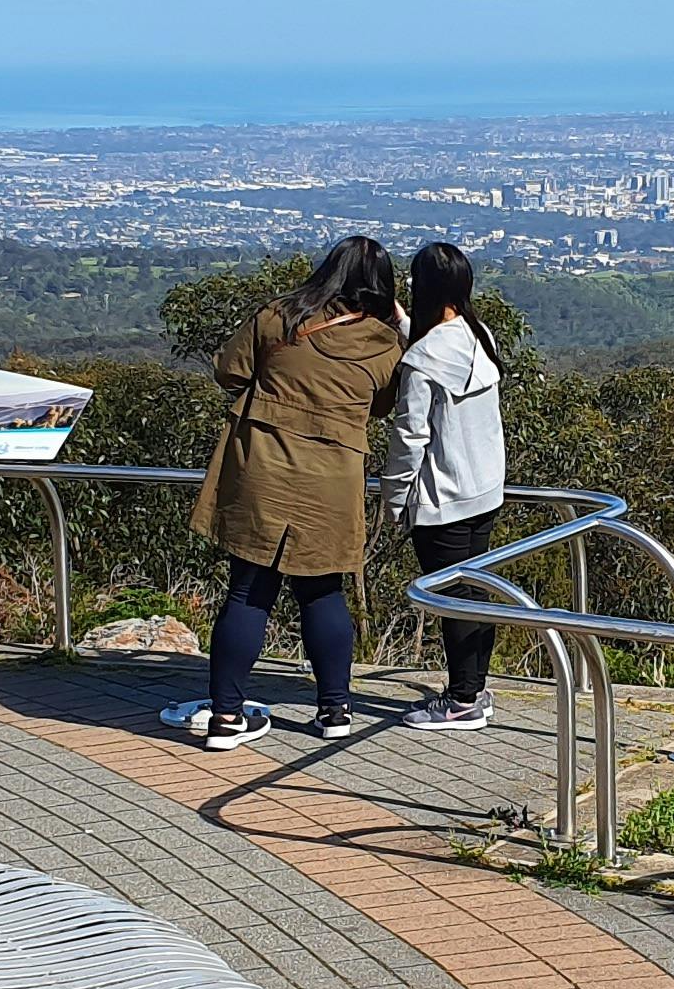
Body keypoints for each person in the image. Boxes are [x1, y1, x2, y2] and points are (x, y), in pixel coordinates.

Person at [190, 237, 402, 751]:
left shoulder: (279, 317)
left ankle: (226, 717)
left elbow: (229, 370)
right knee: (323, 589)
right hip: (332, 476)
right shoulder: (384, 345)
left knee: (248, 589)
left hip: (263, 466)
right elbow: (381, 405)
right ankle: (335, 710)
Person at [376, 240, 509, 729]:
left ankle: (461, 700)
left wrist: (394, 499)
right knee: (475, 594)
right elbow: (443, 354)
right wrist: (403, 324)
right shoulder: (479, 336)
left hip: (442, 500)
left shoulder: (421, 361)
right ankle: (474, 689)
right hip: (484, 490)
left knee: (452, 600)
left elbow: (409, 437)